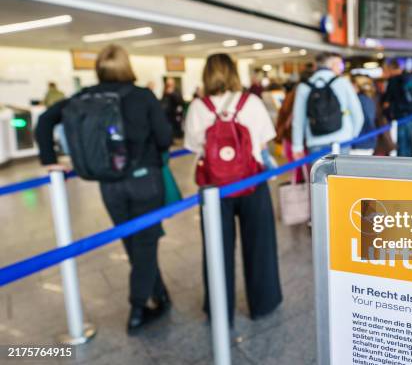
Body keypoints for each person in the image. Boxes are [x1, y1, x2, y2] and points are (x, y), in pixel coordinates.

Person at [34, 45, 173, 333]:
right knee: (146, 242)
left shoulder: (85, 97)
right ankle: (137, 309)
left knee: (132, 242)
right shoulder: (142, 96)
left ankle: (159, 293)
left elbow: (45, 120)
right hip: (144, 179)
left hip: (109, 185)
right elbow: (164, 137)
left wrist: (50, 160)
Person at [184, 53, 282, 325]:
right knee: (260, 246)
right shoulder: (250, 102)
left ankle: (219, 309)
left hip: (214, 187)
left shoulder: (197, 107)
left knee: (216, 249)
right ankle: (263, 303)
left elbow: (194, 146)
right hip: (252, 182)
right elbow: (263, 144)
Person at [291, 52, 364, 158]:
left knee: (319, 174)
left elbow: (298, 119)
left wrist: (297, 146)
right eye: (339, 65)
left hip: (315, 141)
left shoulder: (304, 87)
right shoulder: (343, 82)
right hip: (342, 139)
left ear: (316, 66)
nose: (340, 68)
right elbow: (357, 113)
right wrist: (353, 135)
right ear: (331, 65)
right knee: (341, 174)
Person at [383, 64, 412, 156]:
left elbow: (387, 101)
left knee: (402, 140)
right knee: (410, 139)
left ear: (392, 69)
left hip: (400, 114)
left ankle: (402, 162)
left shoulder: (393, 81)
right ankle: (410, 158)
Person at [351, 75, 377, 155]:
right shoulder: (368, 98)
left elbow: (364, 120)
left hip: (360, 142)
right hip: (368, 139)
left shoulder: (359, 99)